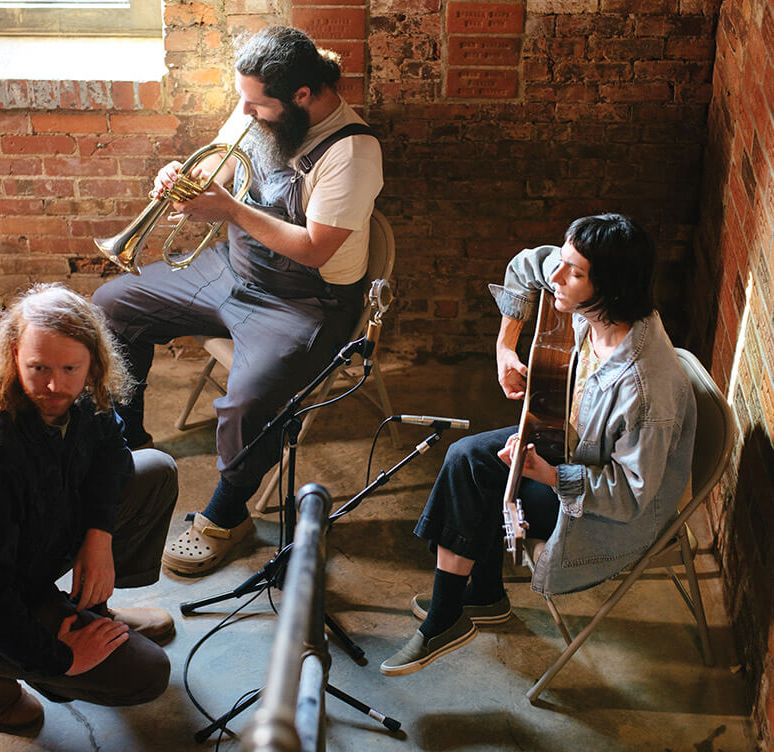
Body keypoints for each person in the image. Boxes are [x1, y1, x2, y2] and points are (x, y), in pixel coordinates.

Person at [92, 25, 384, 576]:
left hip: (303, 300)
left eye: (257, 105)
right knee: (110, 305)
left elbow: (316, 249)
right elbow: (220, 167)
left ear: (302, 96)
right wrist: (183, 182)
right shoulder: (261, 106)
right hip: (233, 267)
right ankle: (130, 448)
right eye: (242, 100)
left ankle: (227, 518)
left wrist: (227, 210)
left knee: (250, 403)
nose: (245, 113)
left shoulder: (353, 151)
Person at [380, 213, 697, 676]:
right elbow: (527, 265)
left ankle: (448, 615)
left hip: (611, 513)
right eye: (564, 262)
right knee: (467, 458)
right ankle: (479, 597)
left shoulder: (645, 386)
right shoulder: (596, 305)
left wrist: (547, 474)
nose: (556, 277)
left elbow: (631, 496)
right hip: (574, 452)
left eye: (574, 271)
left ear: (611, 285)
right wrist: (504, 347)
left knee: (476, 475)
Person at [0, 283, 179, 732]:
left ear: (93, 359)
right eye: (38, 368)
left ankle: (94, 611)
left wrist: (99, 534)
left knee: (153, 471)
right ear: (14, 354)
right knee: (147, 675)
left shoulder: (83, 391)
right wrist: (63, 659)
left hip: (28, 551)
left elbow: (112, 452)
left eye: (70, 368)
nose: (55, 385)